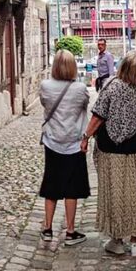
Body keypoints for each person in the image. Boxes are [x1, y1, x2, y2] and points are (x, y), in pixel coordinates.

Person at [80, 51, 136, 257]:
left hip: (112, 150)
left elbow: (98, 117)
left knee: (115, 193)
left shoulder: (112, 88)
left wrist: (86, 137)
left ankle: (117, 239)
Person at [39, 49, 91, 246]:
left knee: (51, 184)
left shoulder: (45, 86)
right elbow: (84, 105)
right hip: (74, 143)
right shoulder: (79, 88)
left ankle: (48, 228)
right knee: (72, 188)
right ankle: (70, 231)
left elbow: (45, 104)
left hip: (52, 141)